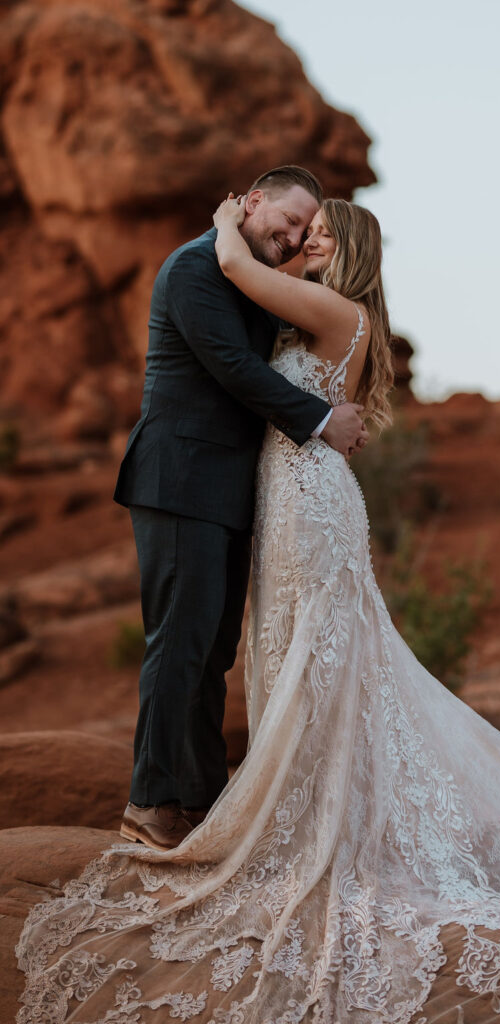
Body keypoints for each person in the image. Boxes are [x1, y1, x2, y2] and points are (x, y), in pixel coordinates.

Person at [15, 197, 500, 1023]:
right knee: (283, 645)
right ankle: (253, 802)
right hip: (278, 492)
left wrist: (229, 223)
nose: (305, 243)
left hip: (306, 497)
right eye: (301, 232)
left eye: (321, 235)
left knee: (308, 649)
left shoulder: (329, 306)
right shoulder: (298, 306)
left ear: (351, 251)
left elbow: (233, 271)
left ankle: (284, 816)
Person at [112, 166, 369, 852]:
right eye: (284, 221)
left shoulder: (247, 275)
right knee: (180, 643)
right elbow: (231, 364)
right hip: (179, 479)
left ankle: (197, 802)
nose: (288, 238)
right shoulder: (197, 267)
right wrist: (320, 418)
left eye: (301, 232)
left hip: (228, 491)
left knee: (211, 650)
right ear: (250, 203)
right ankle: (151, 800)